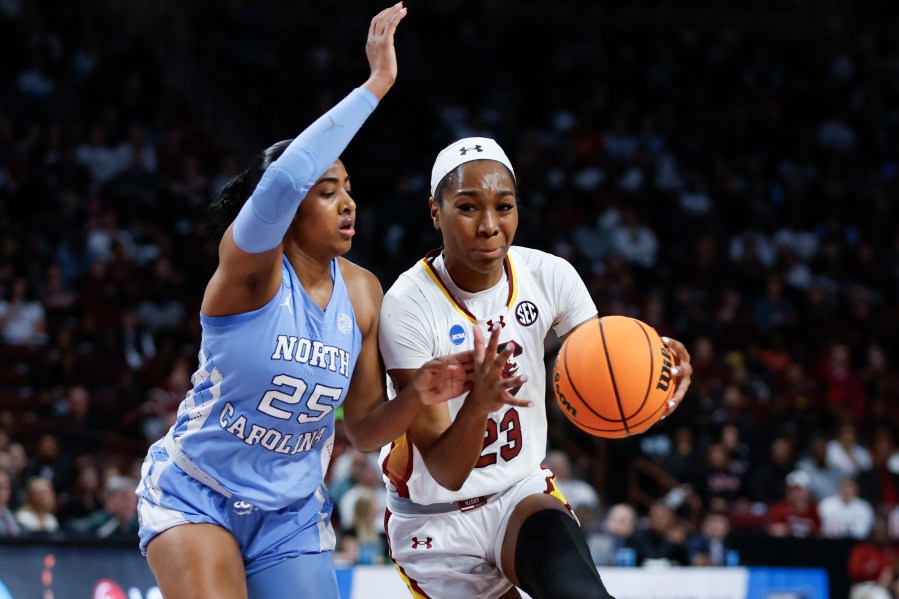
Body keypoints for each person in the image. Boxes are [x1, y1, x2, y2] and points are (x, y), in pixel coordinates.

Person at [135, 6, 476, 598]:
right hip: (197, 493)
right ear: (290, 209)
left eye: (349, 190)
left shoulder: (363, 292)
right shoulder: (248, 275)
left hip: (291, 511)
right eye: (327, 191)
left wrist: (418, 392)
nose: (348, 204)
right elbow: (284, 178)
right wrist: (375, 86)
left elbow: (366, 430)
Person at [377, 137, 693, 598]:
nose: (489, 226)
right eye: (468, 208)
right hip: (435, 520)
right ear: (434, 212)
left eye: (504, 206)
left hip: (518, 495)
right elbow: (445, 469)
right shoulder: (407, 305)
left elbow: (604, 365)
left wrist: (657, 377)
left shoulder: (549, 275)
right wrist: (479, 404)